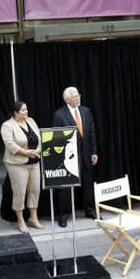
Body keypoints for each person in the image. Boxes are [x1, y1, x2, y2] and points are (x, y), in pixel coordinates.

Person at [52, 87, 98, 227]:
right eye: (74, 96)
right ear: (67, 100)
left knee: (88, 184)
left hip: (86, 154)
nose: (78, 98)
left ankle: (90, 210)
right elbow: (57, 138)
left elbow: (91, 132)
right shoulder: (59, 115)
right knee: (66, 187)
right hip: (69, 157)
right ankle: (63, 215)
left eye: (78, 95)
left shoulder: (85, 111)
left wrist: (94, 151)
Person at [1, 100, 44, 233]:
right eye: (23, 110)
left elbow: (40, 137)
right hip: (17, 164)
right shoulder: (7, 125)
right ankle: (20, 221)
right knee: (20, 192)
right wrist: (26, 152)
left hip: (34, 161)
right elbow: (10, 144)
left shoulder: (31, 121)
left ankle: (33, 217)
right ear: (15, 113)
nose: (26, 112)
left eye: (26, 109)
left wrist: (37, 151)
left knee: (35, 190)